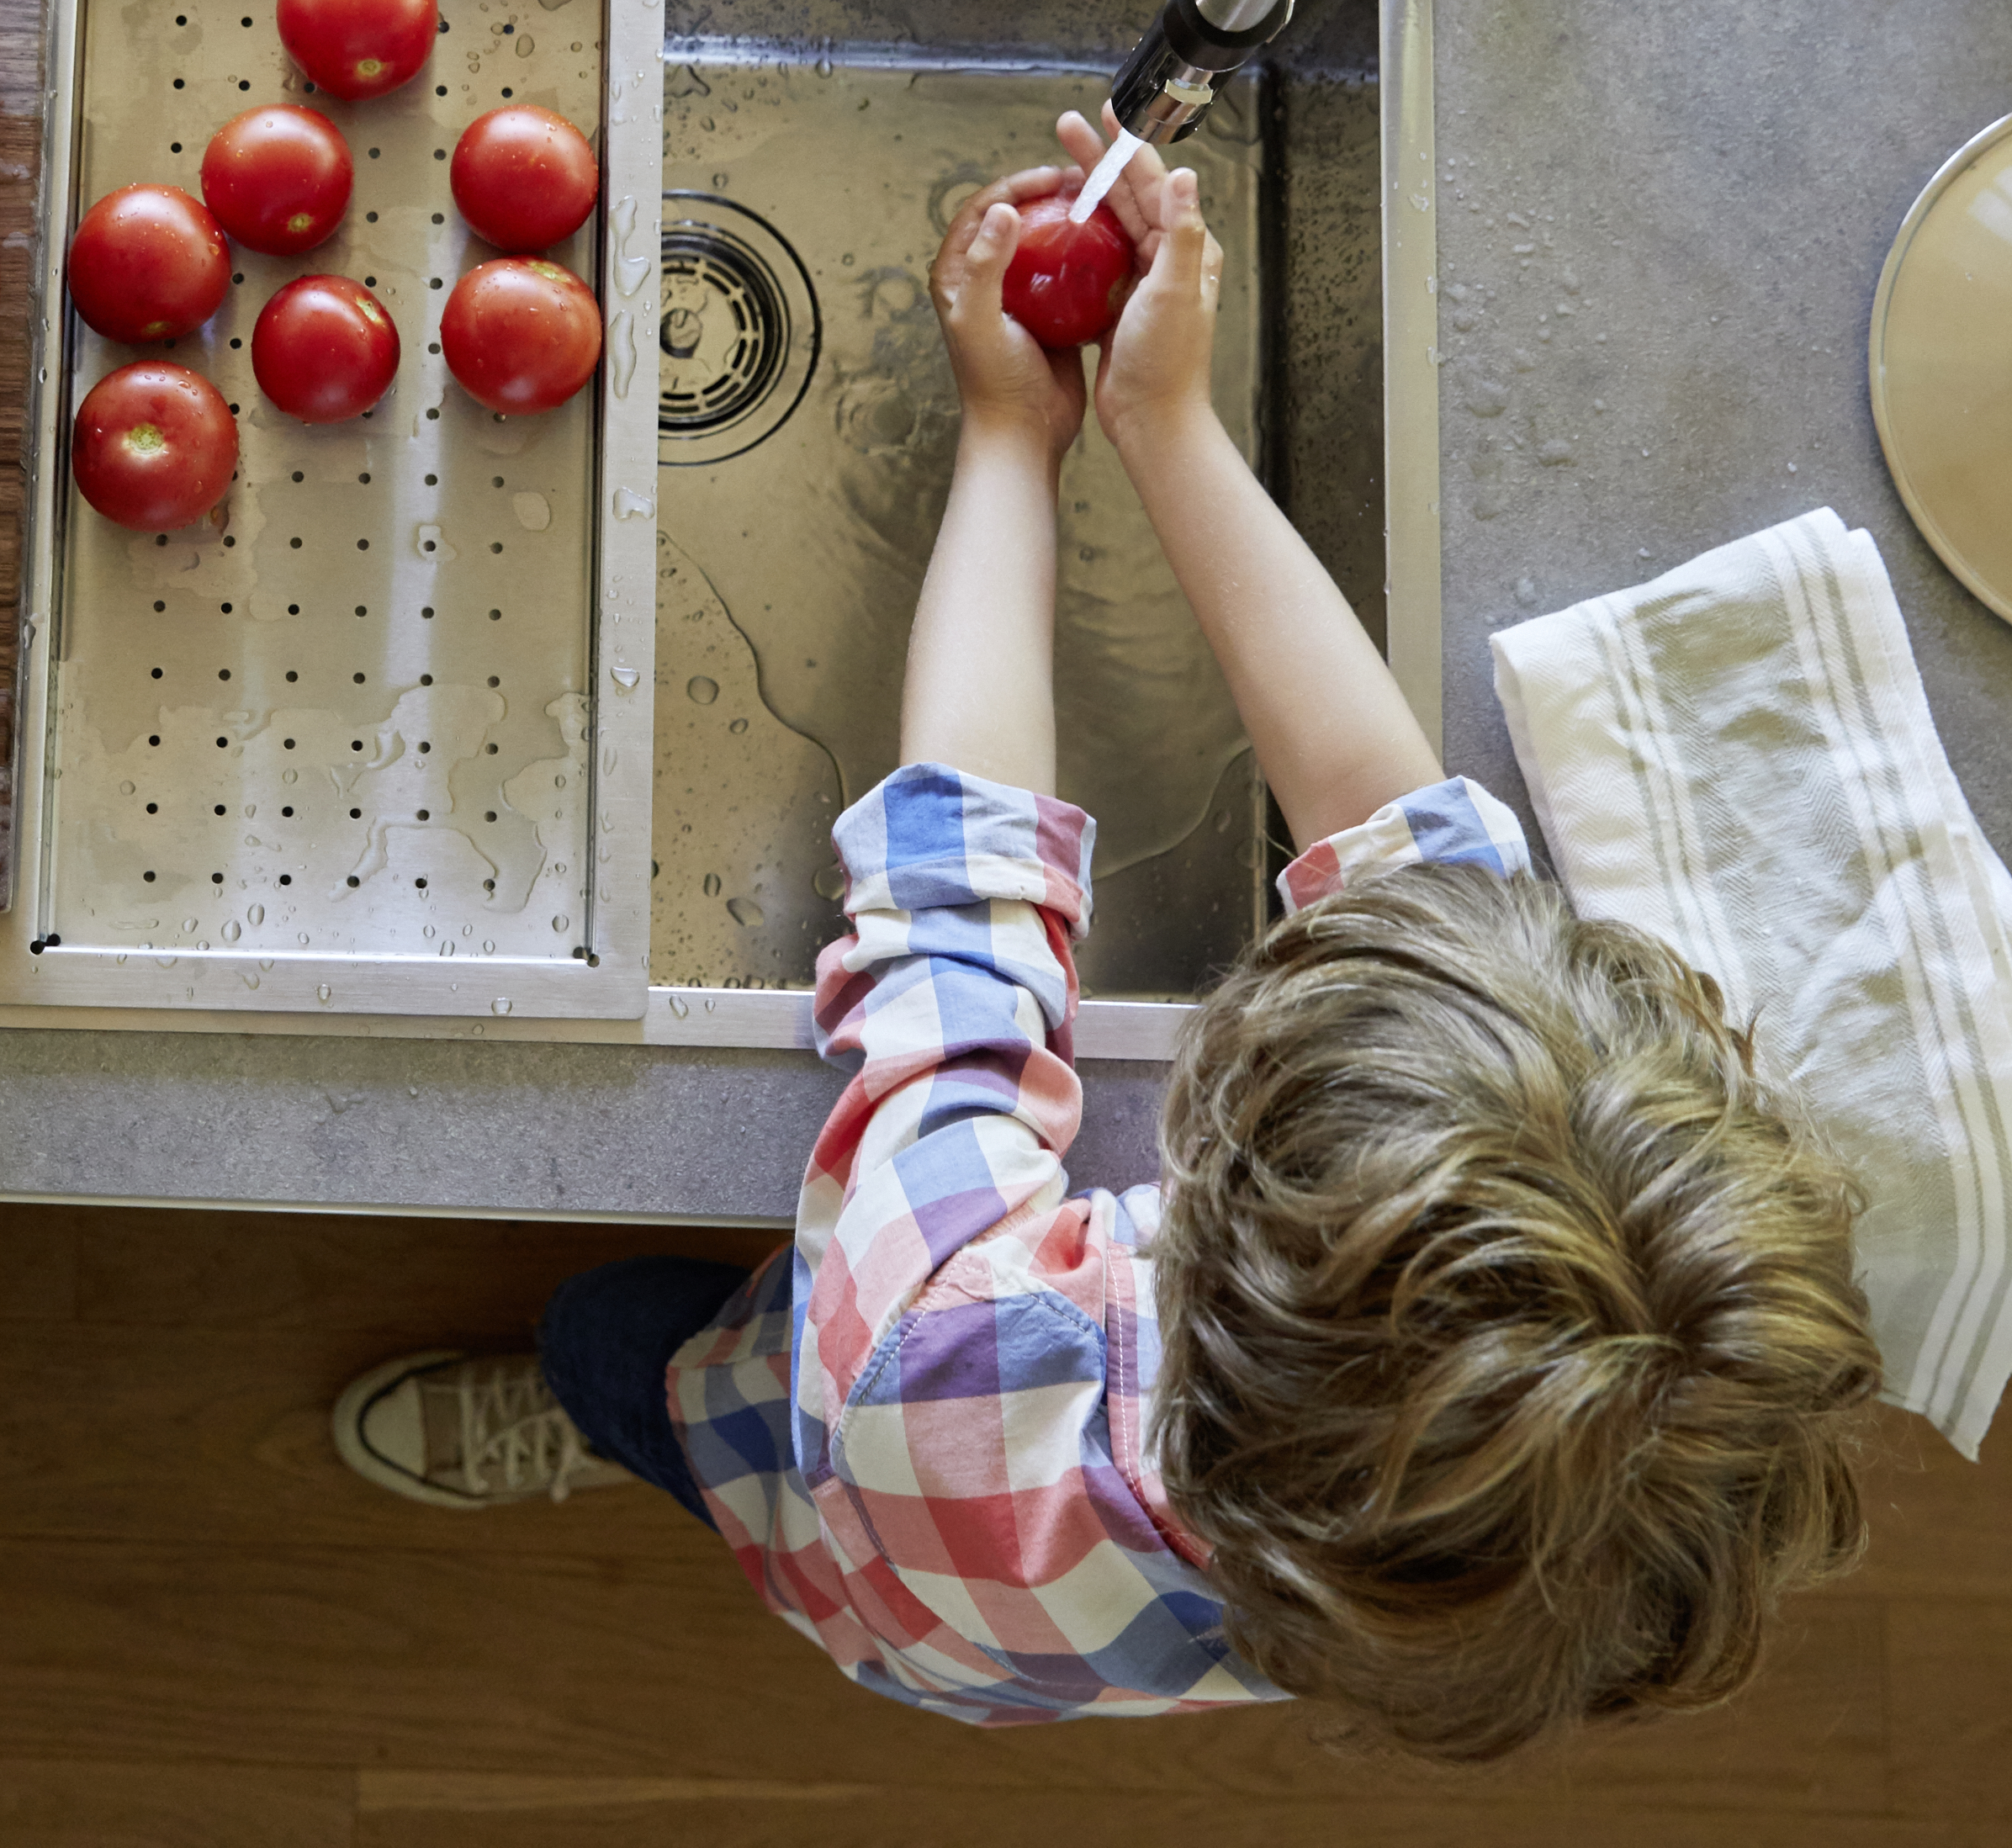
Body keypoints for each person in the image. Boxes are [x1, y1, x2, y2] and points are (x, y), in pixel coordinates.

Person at [331, 120, 1882, 1762]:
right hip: (1007, 1634)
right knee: (775, 1409)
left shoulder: (958, 1356)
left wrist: (1012, 436)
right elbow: (1402, 844)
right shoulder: (1469, 1547)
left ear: (1210, 1240)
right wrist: (1161, 423)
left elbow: (958, 902)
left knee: (632, 1347)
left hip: (853, 1501)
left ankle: (638, 1429)